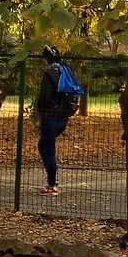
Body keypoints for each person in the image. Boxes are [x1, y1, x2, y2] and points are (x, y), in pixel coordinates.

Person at [35, 47, 83, 196]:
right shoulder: (66, 69)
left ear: (46, 58)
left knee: (48, 149)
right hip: (64, 116)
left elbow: (45, 96)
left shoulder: (49, 72)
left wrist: (40, 111)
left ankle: (52, 184)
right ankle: (52, 177)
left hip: (50, 116)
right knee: (42, 146)